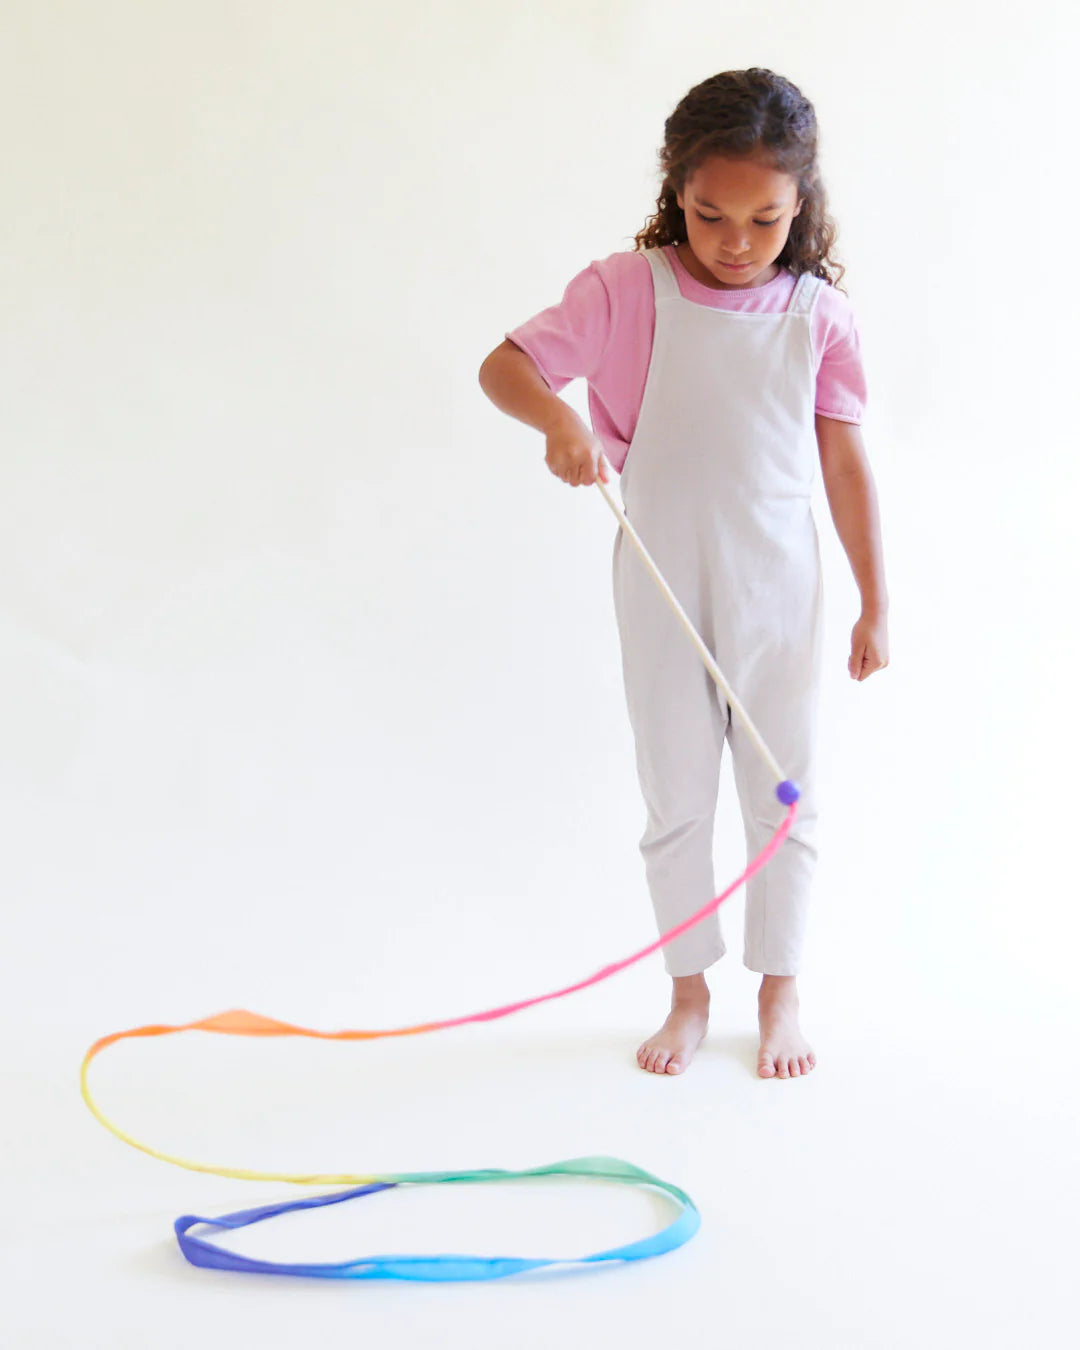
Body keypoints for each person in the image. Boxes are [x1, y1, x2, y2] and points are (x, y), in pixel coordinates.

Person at [478, 68, 888, 1081]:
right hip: (661, 574)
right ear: (677, 191)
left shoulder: (817, 316)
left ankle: (780, 985)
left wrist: (878, 601)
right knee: (677, 794)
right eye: (711, 215)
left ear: (803, 206)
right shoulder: (628, 287)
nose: (737, 243)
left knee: (783, 795)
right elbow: (505, 367)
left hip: (780, 583)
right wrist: (558, 418)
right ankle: (689, 988)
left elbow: (843, 460)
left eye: (765, 219)